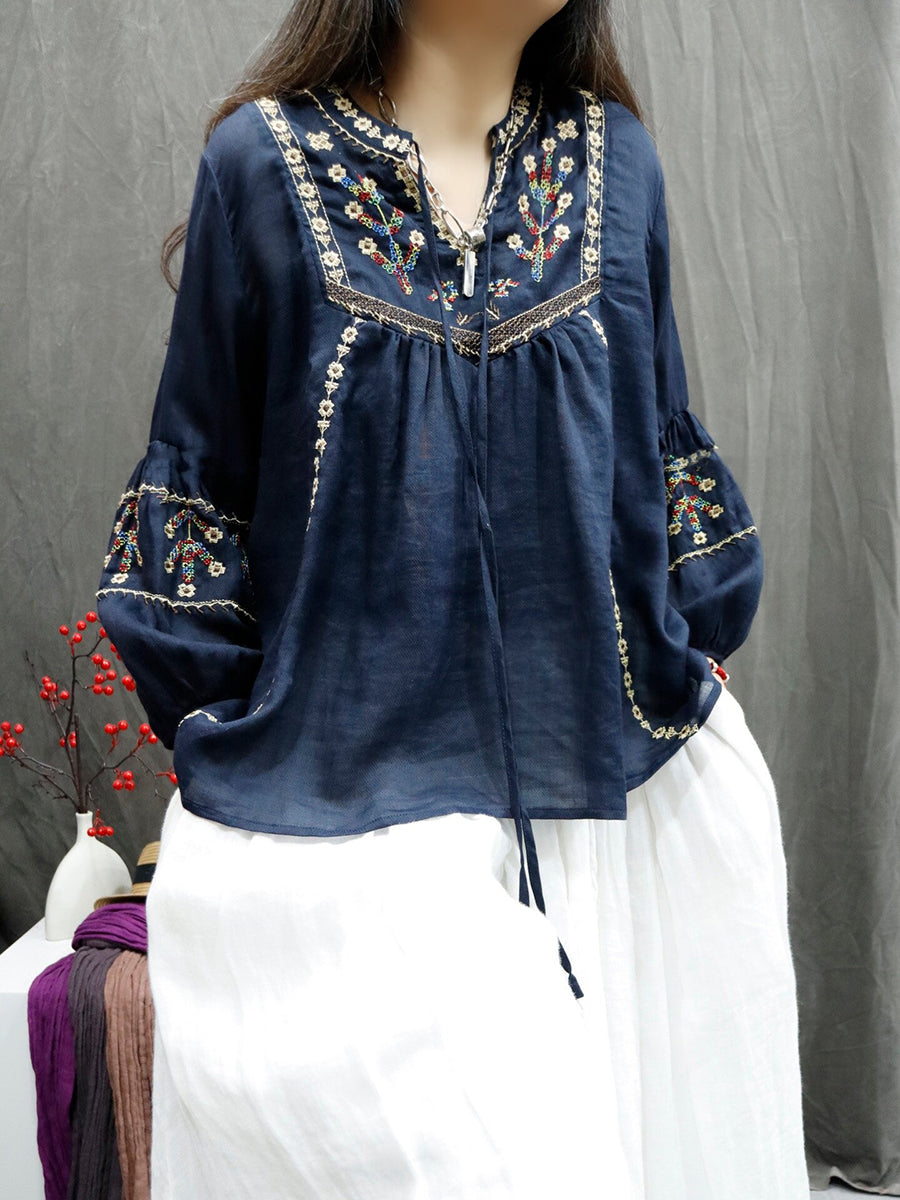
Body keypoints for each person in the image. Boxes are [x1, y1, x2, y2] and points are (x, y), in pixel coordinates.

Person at [94, 0, 809, 1195]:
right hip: (343, 805)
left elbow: (657, 450)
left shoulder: (617, 161)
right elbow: (201, 476)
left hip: (618, 801)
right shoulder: (259, 165)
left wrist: (681, 636)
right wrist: (249, 737)